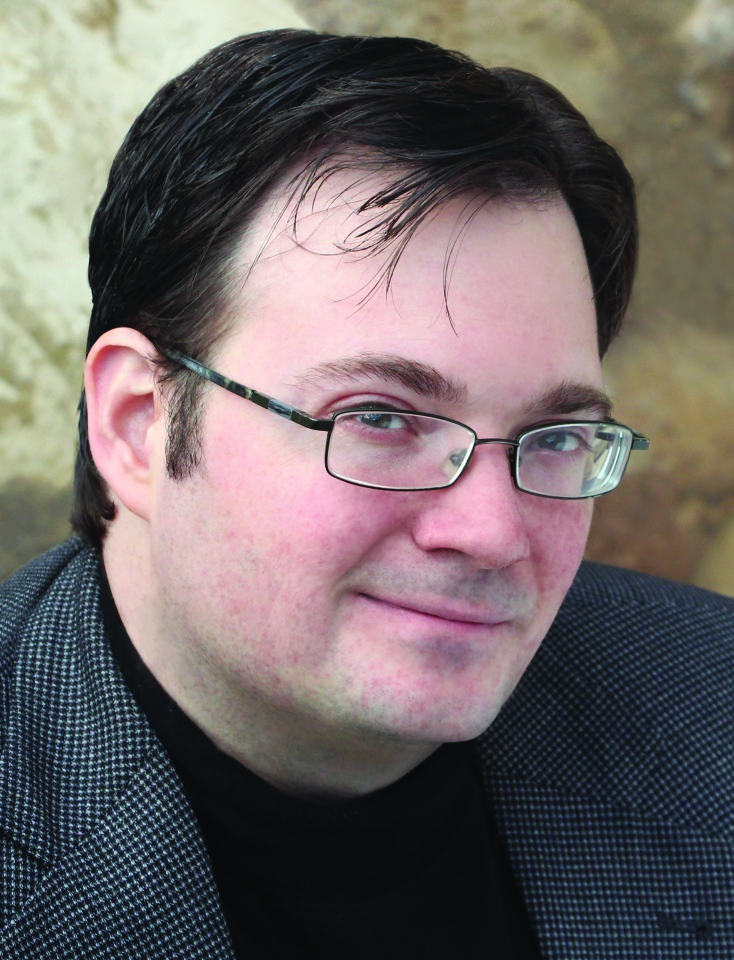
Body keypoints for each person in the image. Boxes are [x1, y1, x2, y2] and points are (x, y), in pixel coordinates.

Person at [1, 28, 732, 960]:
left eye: (554, 437)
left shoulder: (711, 701)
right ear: (139, 422)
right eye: (381, 419)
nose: (492, 532)